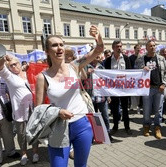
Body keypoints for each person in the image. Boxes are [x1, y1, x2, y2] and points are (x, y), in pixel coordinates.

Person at [35, 25, 104, 167]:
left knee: (81, 165)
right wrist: (58, 112)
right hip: (58, 127)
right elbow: (38, 110)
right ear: (47, 51)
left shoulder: (74, 66)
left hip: (82, 124)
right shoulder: (42, 77)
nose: (59, 48)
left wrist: (98, 39)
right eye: (54, 45)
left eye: (61, 44)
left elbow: (98, 50)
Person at [0, 57, 39, 165]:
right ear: (8, 67)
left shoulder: (29, 73)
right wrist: (3, 59)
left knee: (34, 130)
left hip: (33, 107)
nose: (14, 66)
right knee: (21, 134)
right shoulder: (9, 76)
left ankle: (35, 152)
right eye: (11, 65)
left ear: (20, 63)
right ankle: (24, 154)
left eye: (16, 64)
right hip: (19, 110)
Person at [136, 40, 166, 139]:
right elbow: (135, 70)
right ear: (146, 48)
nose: (153, 47)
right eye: (150, 46)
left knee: (158, 110)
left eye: (154, 45)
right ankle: (146, 126)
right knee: (146, 110)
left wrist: (164, 84)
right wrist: (142, 68)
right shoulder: (141, 59)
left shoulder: (161, 59)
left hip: (159, 88)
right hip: (147, 89)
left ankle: (157, 127)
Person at [104, 40, 132, 135]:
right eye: (117, 46)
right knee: (115, 108)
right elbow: (105, 74)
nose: (119, 48)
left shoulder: (126, 58)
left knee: (125, 108)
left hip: (124, 88)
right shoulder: (108, 61)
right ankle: (115, 126)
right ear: (113, 48)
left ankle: (127, 127)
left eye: (120, 46)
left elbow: (131, 72)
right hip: (113, 89)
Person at [129, 44, 142, 112]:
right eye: (137, 48)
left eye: (139, 48)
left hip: (140, 77)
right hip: (132, 77)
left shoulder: (142, 57)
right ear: (134, 49)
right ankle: (133, 105)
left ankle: (138, 105)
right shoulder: (131, 57)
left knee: (138, 93)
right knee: (132, 92)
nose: (138, 50)